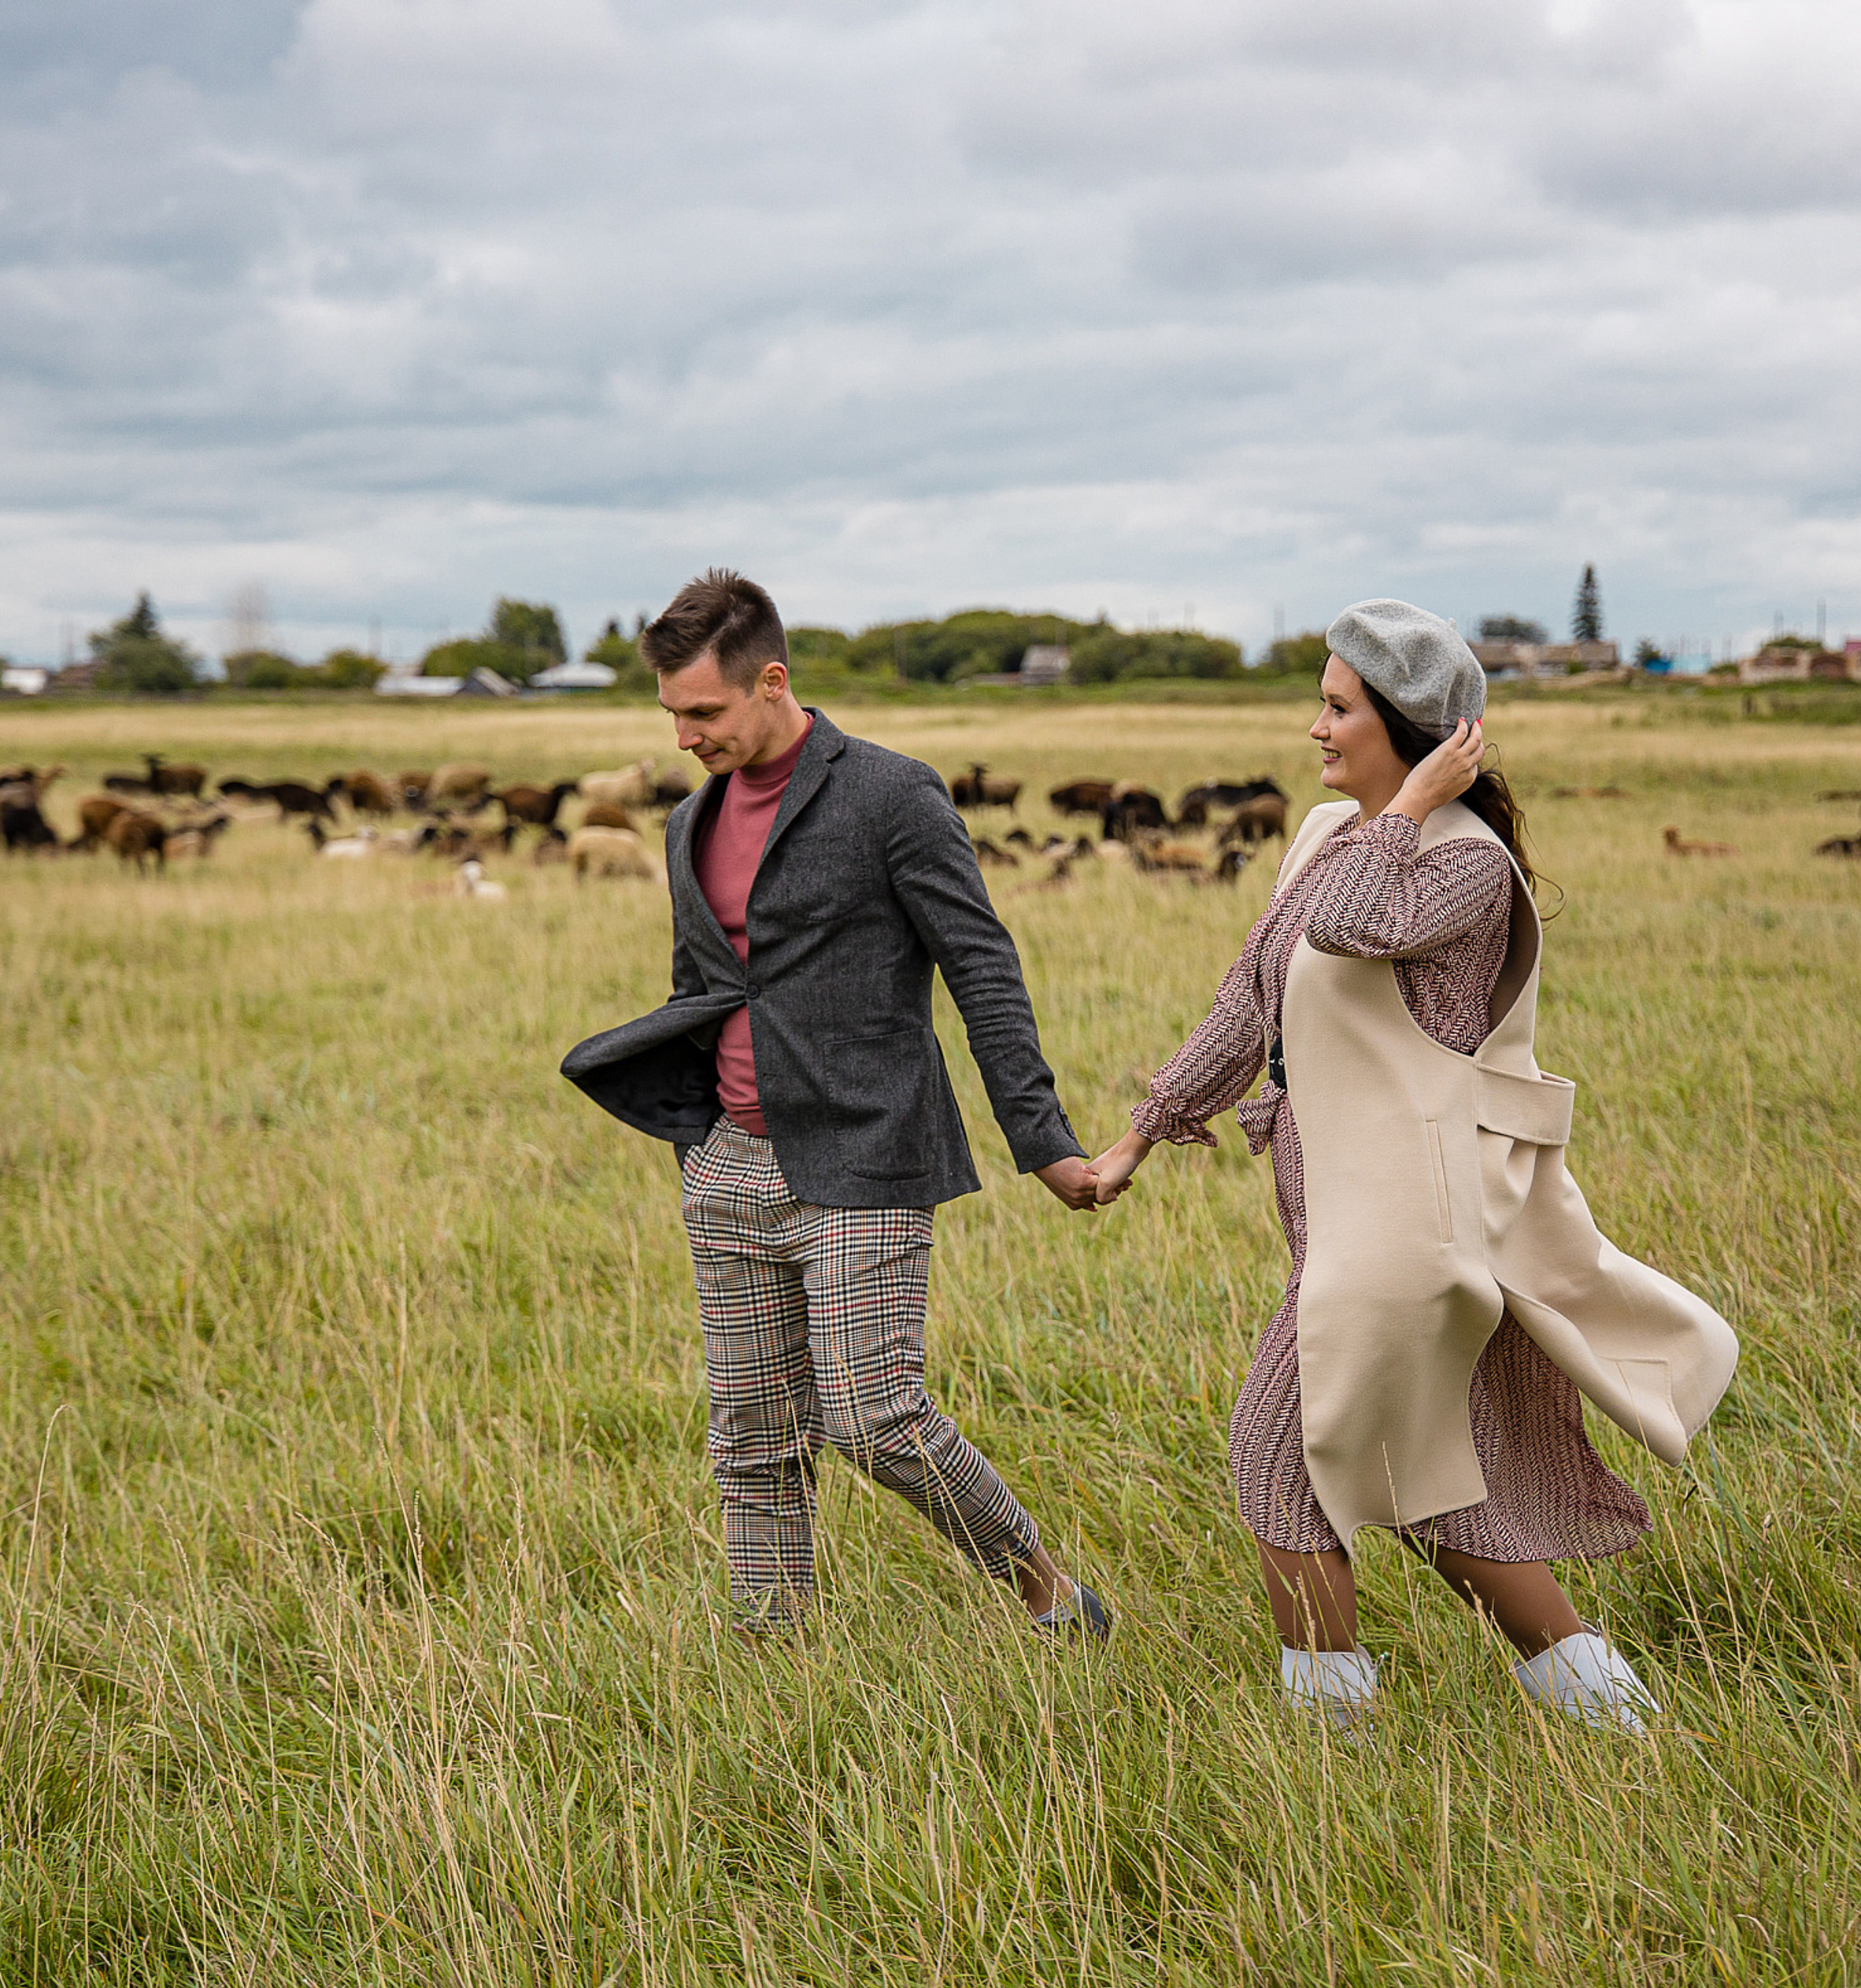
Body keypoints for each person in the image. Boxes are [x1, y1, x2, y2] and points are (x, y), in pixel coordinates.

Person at [1086, 599, 1737, 1731]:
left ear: (1417, 729)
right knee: (1436, 1492)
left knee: (1279, 1459)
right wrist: (1147, 1129)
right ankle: (1620, 1723)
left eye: (1338, 708)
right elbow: (1254, 999)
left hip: (1412, 1232)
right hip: (1346, 1220)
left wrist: (1421, 802)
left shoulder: (1465, 869)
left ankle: (1331, 1746)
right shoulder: (1326, 837)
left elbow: (1344, 927)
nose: (1316, 730)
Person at [562, 569, 1112, 1639]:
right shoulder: (687, 824)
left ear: (774, 682)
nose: (684, 737)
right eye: (670, 714)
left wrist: (1041, 1139)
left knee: (875, 1416)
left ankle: (1048, 1593)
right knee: (753, 1435)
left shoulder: (890, 795)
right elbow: (702, 985)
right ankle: (771, 1653)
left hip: (865, 1150)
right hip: (730, 1165)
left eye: (704, 713)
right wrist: (689, 1128)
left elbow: (981, 966)